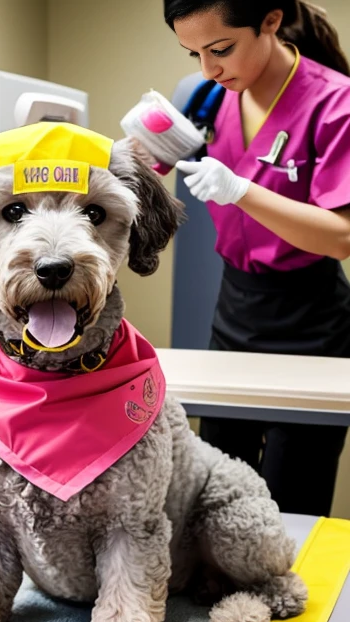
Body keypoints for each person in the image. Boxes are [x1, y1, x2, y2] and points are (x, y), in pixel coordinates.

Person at [164, 0, 350, 516]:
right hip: (235, 313)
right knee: (218, 491)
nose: (208, 68)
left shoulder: (335, 104)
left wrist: (242, 190)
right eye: (193, 53)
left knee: (293, 502)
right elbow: (155, 160)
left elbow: (342, 237)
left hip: (310, 321)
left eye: (221, 49)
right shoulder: (209, 96)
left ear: (270, 20)